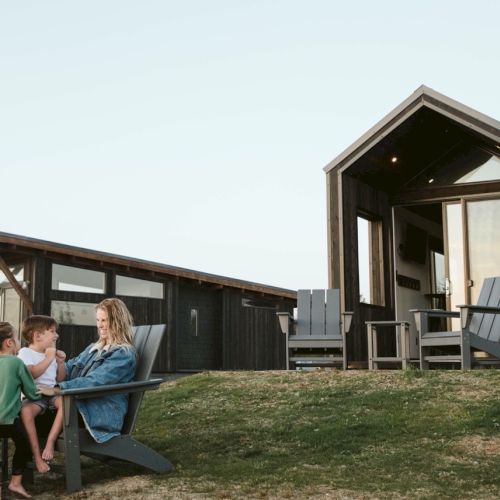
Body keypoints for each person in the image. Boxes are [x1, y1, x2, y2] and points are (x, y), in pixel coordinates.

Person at [50, 298, 137, 444]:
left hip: (95, 415)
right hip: (80, 406)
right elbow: (70, 368)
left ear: (118, 321)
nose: (100, 325)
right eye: (98, 320)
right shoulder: (93, 348)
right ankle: (24, 461)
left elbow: (95, 381)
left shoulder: (123, 354)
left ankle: (23, 463)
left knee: (30, 416)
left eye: (105, 320)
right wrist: (57, 363)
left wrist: (55, 389)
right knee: (27, 408)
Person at [18, 315, 66, 471]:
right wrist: (49, 358)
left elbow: (59, 378)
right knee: (25, 411)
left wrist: (60, 363)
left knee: (66, 403)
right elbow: (32, 373)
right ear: (37, 336)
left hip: (51, 394)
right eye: (52, 331)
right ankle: (37, 456)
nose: (56, 335)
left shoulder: (49, 353)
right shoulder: (25, 352)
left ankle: (50, 442)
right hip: (34, 396)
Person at [0, 322, 41, 499]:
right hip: (8, 420)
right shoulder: (16, 363)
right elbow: (32, 392)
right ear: (9, 342)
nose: (18, 342)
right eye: (17, 338)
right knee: (24, 445)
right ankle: (15, 483)